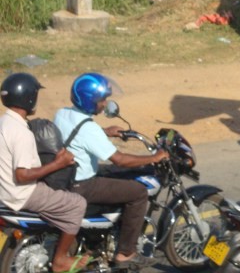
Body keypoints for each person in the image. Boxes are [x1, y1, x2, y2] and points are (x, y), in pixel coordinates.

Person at [53, 73, 169, 268]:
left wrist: (105, 132)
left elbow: (77, 133)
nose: (105, 103)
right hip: (83, 184)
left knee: (114, 173)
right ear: (89, 101)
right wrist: (154, 158)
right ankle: (126, 253)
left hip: (67, 176)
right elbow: (120, 160)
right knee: (138, 192)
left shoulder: (62, 113)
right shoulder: (89, 129)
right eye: (102, 100)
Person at [0, 73, 90, 273]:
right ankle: (61, 260)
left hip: (4, 191)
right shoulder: (21, 133)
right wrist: (59, 163)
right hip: (22, 193)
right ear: (29, 98)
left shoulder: (4, 122)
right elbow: (22, 175)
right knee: (77, 204)